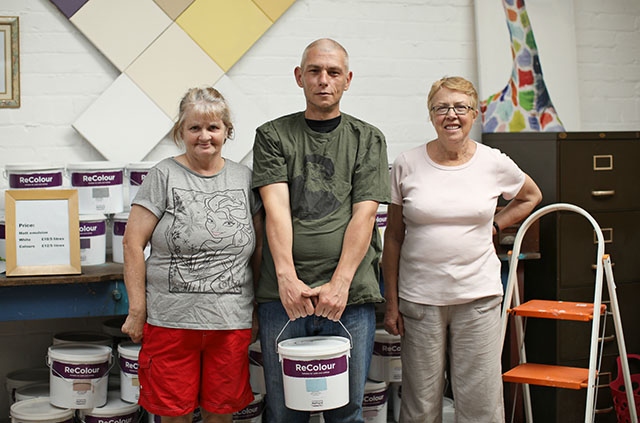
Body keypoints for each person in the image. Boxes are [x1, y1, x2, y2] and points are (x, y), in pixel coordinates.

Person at [382, 76, 542, 423]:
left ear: (474, 113)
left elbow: (531, 195)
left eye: (460, 107)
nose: (450, 115)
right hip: (420, 301)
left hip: (478, 299)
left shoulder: (493, 162)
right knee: (420, 404)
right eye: (441, 107)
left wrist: (497, 224)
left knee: (480, 404)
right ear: (431, 114)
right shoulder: (406, 164)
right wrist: (391, 303)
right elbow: (393, 237)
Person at [251, 38, 391, 423]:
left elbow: (365, 216)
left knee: (346, 412)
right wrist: (286, 280)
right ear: (299, 77)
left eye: (332, 72)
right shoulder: (273, 135)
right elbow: (275, 211)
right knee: (283, 413)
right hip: (283, 298)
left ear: (348, 79)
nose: (323, 80)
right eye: (314, 71)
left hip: (350, 298)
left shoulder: (368, 138)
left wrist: (341, 283)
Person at [121, 87, 263, 423]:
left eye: (213, 128)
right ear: (180, 132)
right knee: (173, 415)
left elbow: (257, 251)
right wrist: (137, 310)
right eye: (194, 128)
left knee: (221, 415)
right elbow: (132, 243)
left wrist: (255, 309)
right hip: (171, 322)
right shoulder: (163, 175)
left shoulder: (245, 179)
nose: (204, 137)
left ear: (227, 131)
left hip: (229, 323)